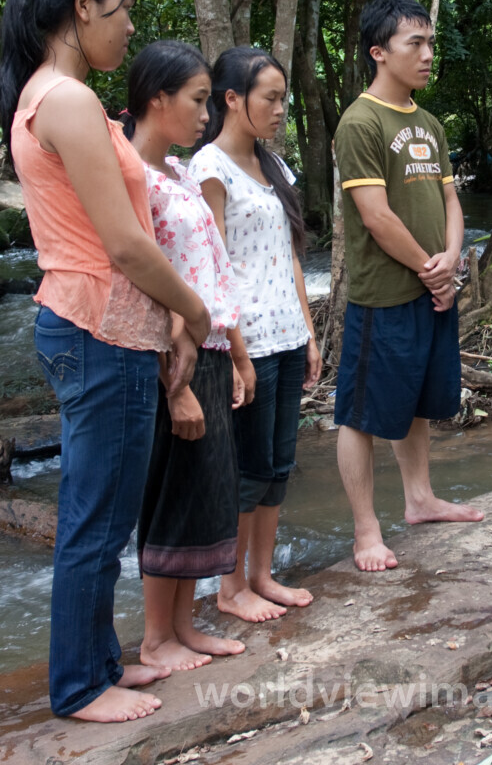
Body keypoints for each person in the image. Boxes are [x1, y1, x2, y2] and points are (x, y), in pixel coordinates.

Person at [0, 0, 212, 722]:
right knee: (95, 517)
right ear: (81, 9)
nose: (129, 30)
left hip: (98, 326)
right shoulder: (68, 100)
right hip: (99, 329)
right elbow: (122, 243)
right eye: (120, 13)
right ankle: (79, 686)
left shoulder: (47, 95)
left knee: (107, 512)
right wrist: (194, 308)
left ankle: (99, 661)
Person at [333, 0, 483, 573]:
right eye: (413, 44)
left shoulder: (429, 123)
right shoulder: (361, 121)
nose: (426, 55)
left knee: (418, 402)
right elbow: (375, 215)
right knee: (362, 414)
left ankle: (419, 499)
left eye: (429, 43)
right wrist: (432, 268)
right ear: (379, 52)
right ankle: (365, 531)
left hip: (433, 287)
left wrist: (452, 259)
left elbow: (449, 197)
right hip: (385, 295)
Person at [124, 40, 251, 671]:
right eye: (197, 100)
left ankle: (184, 625)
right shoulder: (133, 178)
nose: (206, 114)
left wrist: (236, 351)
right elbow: (150, 272)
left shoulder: (176, 171)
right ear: (156, 98)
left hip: (211, 345)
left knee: (206, 489)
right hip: (174, 353)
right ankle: (155, 637)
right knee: (174, 490)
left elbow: (213, 267)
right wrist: (177, 380)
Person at [191, 47, 321, 622]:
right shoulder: (209, 169)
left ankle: (262, 576)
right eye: (270, 99)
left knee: (278, 464)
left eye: (283, 99)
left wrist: (311, 333)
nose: (279, 110)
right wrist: (237, 352)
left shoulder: (274, 167)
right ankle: (229, 588)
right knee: (246, 471)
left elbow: (289, 255)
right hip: (246, 344)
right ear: (232, 100)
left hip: (288, 335)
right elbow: (212, 268)